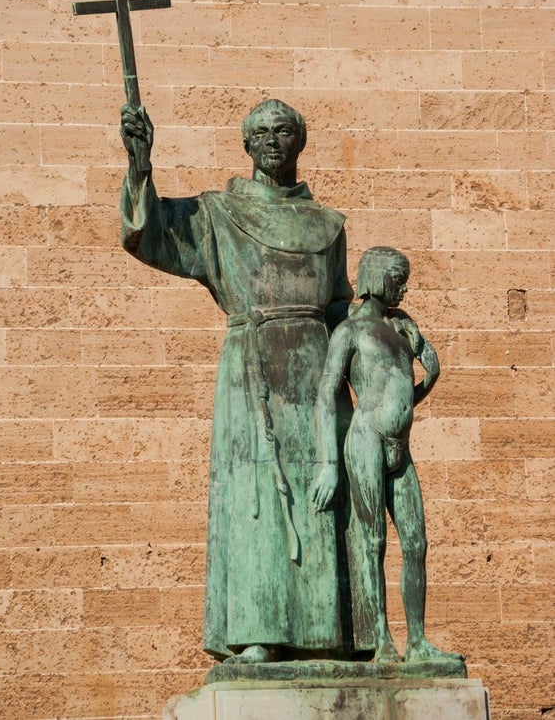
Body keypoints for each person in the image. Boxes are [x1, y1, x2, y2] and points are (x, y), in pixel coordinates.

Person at [120, 98, 352, 662]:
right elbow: (149, 235)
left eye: (284, 132)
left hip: (318, 372)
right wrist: (140, 166)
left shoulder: (330, 224)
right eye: (262, 133)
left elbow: (342, 307)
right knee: (255, 500)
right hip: (251, 369)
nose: (273, 141)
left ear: (300, 141)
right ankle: (259, 633)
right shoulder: (218, 214)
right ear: (247, 146)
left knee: (324, 499)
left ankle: (333, 635)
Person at [313, 247, 462, 667]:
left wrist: (423, 381)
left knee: (416, 541)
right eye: (398, 278)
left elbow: (421, 379)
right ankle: (381, 639)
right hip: (366, 440)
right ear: (378, 278)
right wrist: (328, 463)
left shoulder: (404, 326)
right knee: (374, 540)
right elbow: (327, 393)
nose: (404, 286)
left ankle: (417, 640)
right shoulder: (350, 331)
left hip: (401, 446)